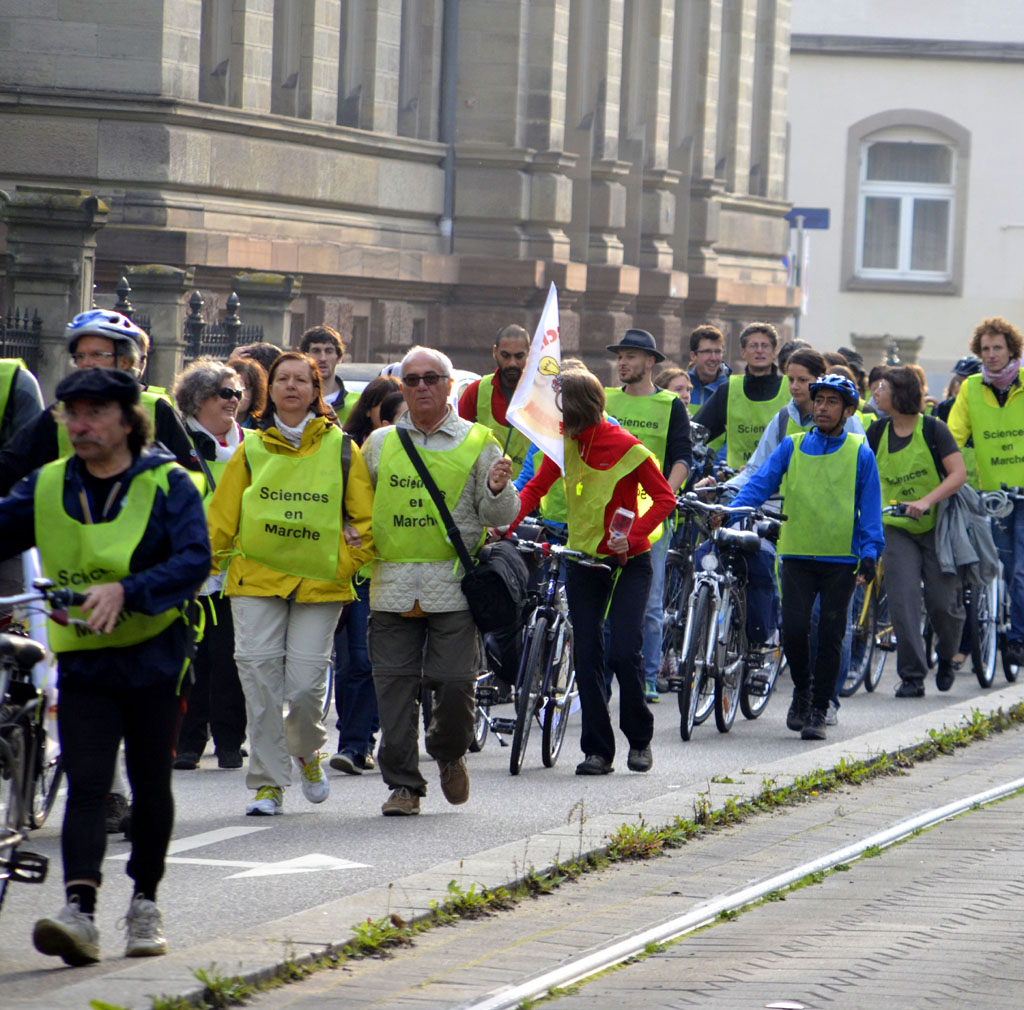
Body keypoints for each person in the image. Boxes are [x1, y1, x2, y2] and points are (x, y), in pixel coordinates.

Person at [0, 367, 210, 965]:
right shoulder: (46, 484)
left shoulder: (167, 482)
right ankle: (80, 912)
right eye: (70, 413)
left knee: (148, 782)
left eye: (93, 412)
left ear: (127, 421)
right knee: (89, 785)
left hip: (155, 657)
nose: (79, 424)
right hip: (86, 662)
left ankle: (145, 901)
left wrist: (130, 590)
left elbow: (195, 558)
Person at [207, 352, 375, 815]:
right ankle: (268, 783)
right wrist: (203, 564)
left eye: (302, 380)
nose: (291, 386)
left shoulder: (343, 448)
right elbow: (221, 516)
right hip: (255, 581)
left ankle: (306, 750)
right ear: (271, 390)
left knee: (304, 688)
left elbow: (366, 519)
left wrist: (346, 562)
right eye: (283, 379)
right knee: (260, 682)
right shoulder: (252, 447)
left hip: (320, 584)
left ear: (315, 390)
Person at [361, 346, 518, 816]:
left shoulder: (479, 440)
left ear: (450, 385)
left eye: (432, 378)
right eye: (412, 380)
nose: (422, 387)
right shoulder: (380, 443)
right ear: (402, 388)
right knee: (393, 691)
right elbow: (358, 508)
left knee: (453, 683)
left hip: (452, 587)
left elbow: (499, 515)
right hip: (390, 586)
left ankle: (449, 752)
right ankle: (404, 786)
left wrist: (496, 488)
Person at [513, 369, 676, 774]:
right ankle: (597, 752)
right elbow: (534, 489)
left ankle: (639, 740)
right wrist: (504, 525)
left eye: (560, 407)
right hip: (583, 560)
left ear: (578, 407)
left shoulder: (627, 446)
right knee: (587, 655)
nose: (555, 416)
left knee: (623, 652)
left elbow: (664, 499)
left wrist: (634, 534)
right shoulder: (564, 445)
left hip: (628, 562)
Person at [727, 374, 885, 741]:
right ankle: (803, 689)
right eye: (819, 401)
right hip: (797, 552)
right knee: (795, 630)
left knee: (830, 634)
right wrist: (731, 512)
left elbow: (870, 509)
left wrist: (869, 554)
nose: (823, 408)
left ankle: (818, 708)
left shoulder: (861, 451)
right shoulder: (792, 446)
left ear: (848, 411)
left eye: (832, 402)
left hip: (840, 559)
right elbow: (759, 484)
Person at [0, 310, 200, 495]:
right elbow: (10, 469)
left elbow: (192, 484)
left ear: (125, 362)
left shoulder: (157, 410)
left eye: (97, 355)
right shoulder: (58, 413)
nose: (86, 363)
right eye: (80, 356)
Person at [867, 367, 966, 696]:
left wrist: (925, 501)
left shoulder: (934, 429)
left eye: (883, 388)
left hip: (936, 527)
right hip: (896, 530)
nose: (876, 393)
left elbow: (958, 474)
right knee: (902, 600)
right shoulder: (877, 431)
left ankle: (948, 656)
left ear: (902, 394)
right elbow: (862, 473)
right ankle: (911, 675)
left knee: (942, 604)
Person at [604, 329, 692, 701]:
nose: (623, 363)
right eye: (620, 356)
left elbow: (682, 457)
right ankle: (602, 674)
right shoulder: (605, 399)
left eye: (631, 356)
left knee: (651, 600)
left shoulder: (671, 404)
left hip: (650, 515)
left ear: (650, 362)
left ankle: (648, 675)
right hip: (606, 510)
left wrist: (665, 497)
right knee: (605, 597)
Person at [171, 359, 249, 769]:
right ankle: (188, 742)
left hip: (237, 570)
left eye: (237, 393)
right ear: (198, 399)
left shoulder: (252, 445)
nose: (234, 400)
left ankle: (230, 741)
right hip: (188, 570)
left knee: (230, 660)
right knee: (190, 660)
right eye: (225, 393)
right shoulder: (177, 445)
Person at [329, 376, 400, 775]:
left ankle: (373, 736)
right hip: (359, 570)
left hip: (404, 572)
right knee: (355, 660)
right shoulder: (354, 451)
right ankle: (354, 744)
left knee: (377, 663)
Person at [948, 316, 1024, 667]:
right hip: (990, 494)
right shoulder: (971, 388)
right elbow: (953, 436)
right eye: (985, 349)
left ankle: (1016, 638)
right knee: (1000, 568)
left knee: (1022, 571)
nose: (991, 354)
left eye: (998, 348)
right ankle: (998, 624)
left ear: (1012, 350)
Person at [693, 321, 790, 472]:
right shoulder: (728, 390)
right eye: (753, 346)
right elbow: (694, 433)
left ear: (774, 351)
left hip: (781, 484)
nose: (759, 351)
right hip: (738, 486)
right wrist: (704, 468)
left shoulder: (790, 388)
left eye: (765, 346)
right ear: (743, 352)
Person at [457, 324, 531, 476]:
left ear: (529, 355)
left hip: (533, 494)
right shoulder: (476, 391)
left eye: (519, 356)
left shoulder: (544, 394)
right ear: (495, 352)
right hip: (486, 491)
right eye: (506, 355)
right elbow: (456, 441)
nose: (512, 363)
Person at [299, 325, 351, 421]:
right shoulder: (294, 401)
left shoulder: (356, 404)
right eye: (316, 351)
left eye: (329, 351)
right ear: (304, 357)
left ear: (339, 357)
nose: (323, 358)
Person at [342, 375, 401, 445]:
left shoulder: (411, 443)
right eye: (383, 405)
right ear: (368, 410)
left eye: (395, 405)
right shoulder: (350, 444)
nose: (390, 411)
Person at [686, 324, 731, 411]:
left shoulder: (731, 389)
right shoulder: (680, 387)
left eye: (718, 352)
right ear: (693, 356)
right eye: (707, 352)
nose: (713, 358)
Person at [227, 355, 268, 429]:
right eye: (236, 385)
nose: (240, 391)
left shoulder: (263, 428)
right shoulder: (209, 424)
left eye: (246, 387)